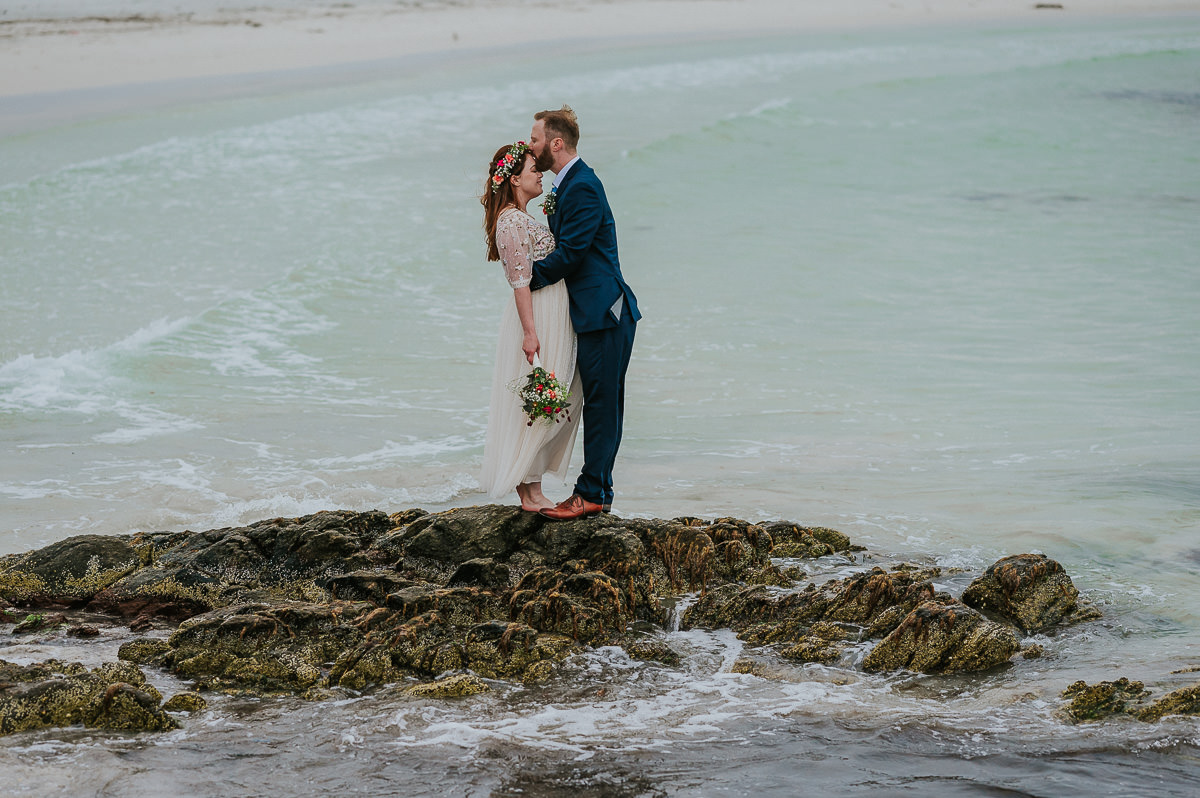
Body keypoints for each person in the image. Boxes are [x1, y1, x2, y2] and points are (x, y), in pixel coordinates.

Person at [527, 106, 640, 521]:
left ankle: (591, 493)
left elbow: (572, 253)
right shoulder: (569, 184)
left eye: (536, 138)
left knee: (602, 405)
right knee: (601, 403)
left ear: (556, 143)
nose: (531, 145)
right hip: (593, 312)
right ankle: (598, 492)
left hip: (606, 311)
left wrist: (525, 278)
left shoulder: (584, 186)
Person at [479, 142, 582, 512]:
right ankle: (528, 490)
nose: (540, 174)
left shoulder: (521, 217)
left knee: (556, 394)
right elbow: (520, 281)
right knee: (540, 397)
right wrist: (530, 332)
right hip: (535, 315)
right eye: (532, 169)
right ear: (513, 179)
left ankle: (532, 485)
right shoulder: (510, 221)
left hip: (547, 312)